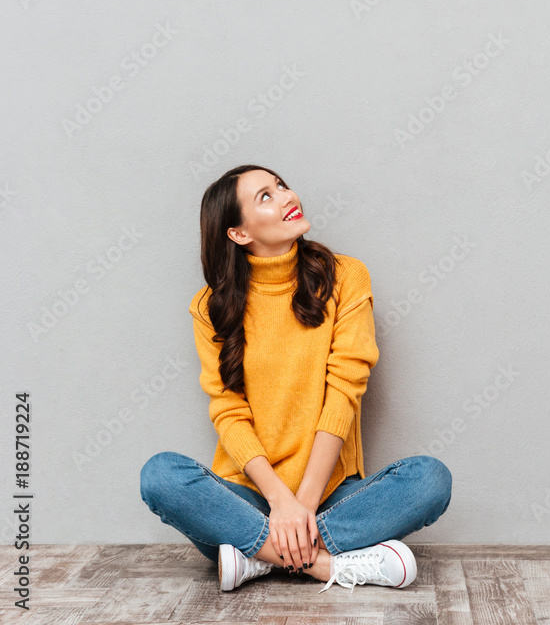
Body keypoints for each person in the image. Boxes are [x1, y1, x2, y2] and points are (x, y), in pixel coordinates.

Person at [140, 164, 452, 593]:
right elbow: (228, 411)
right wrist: (279, 502)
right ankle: (326, 565)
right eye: (265, 197)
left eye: (281, 186)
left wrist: (301, 505)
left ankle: (257, 556)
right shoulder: (209, 306)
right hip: (247, 497)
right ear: (238, 233)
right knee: (160, 476)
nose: (287, 196)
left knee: (430, 480)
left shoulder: (346, 276)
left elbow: (345, 391)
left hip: (329, 494)